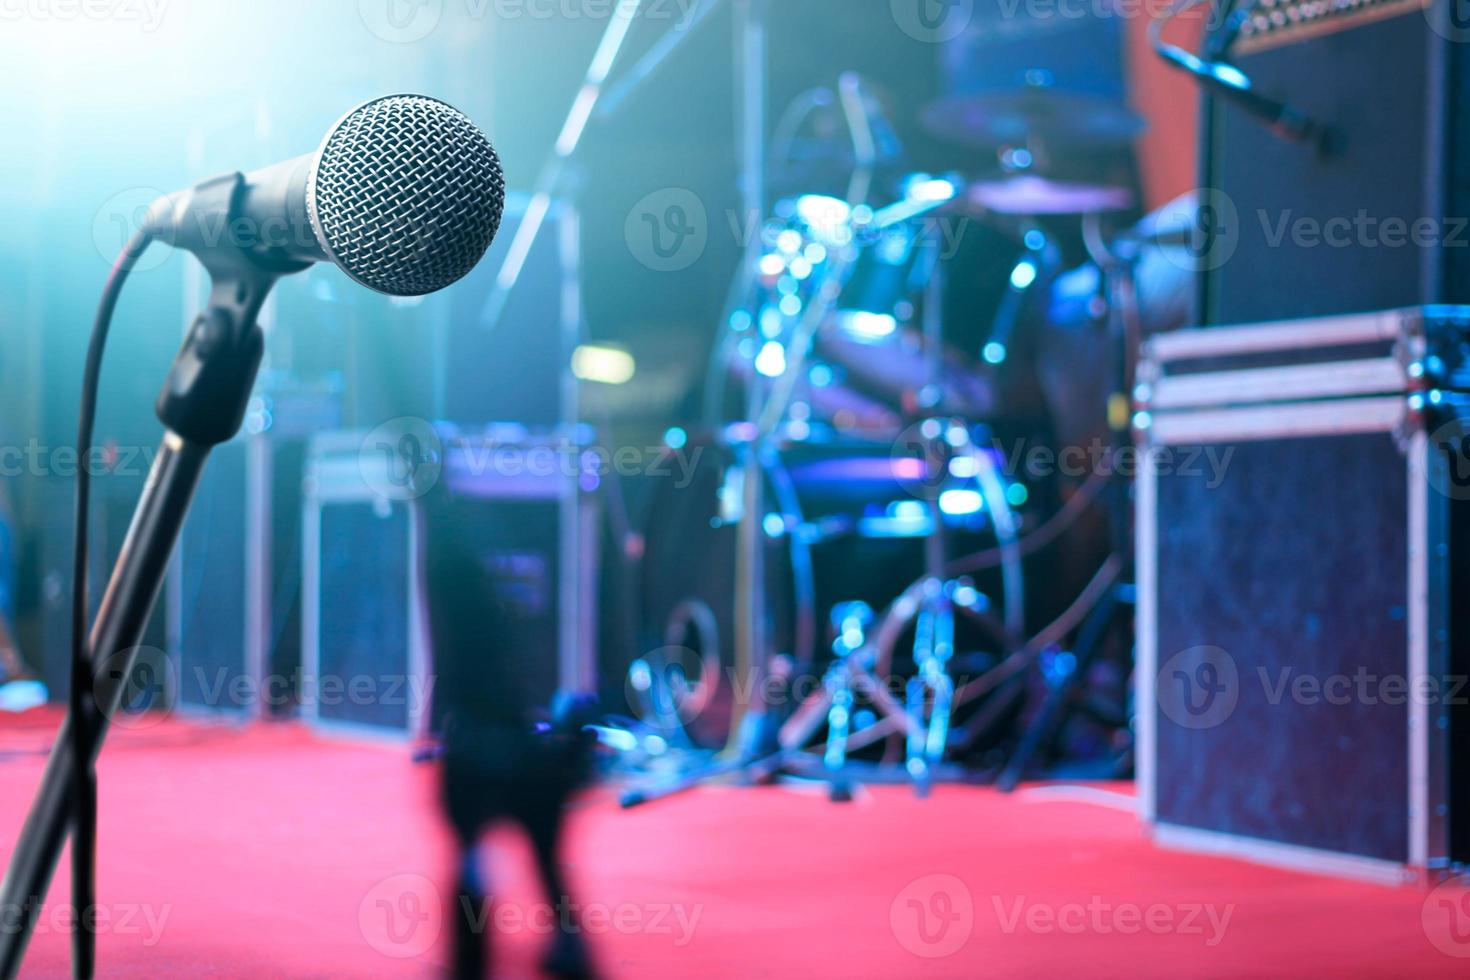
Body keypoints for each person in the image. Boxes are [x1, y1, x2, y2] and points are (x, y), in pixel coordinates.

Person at [420, 479, 597, 980]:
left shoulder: (448, 579)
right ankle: (568, 939)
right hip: (508, 742)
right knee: (538, 850)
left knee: (474, 857)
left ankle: (475, 961)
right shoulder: (474, 594)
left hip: (479, 744)